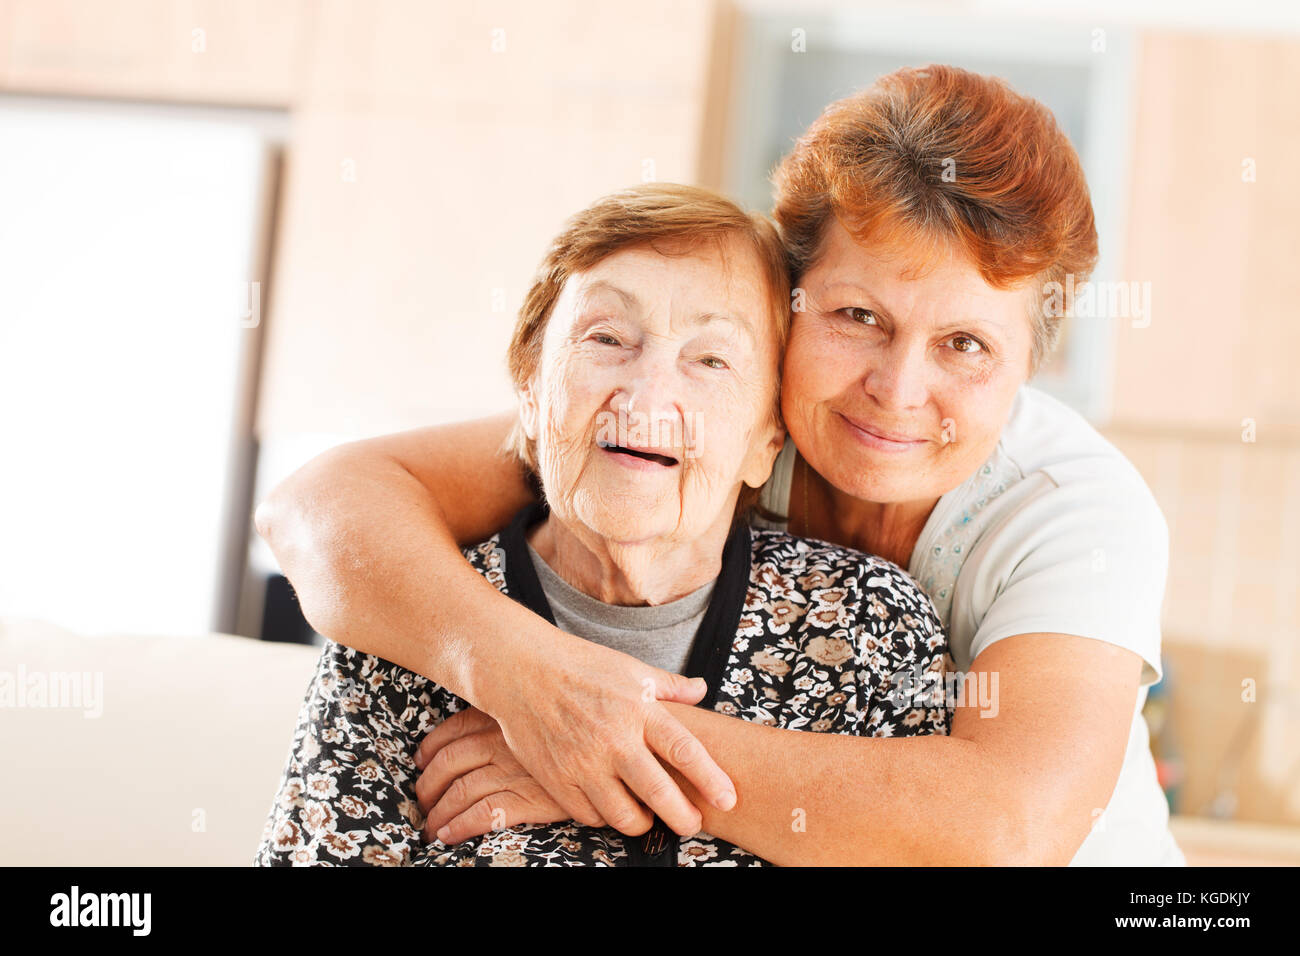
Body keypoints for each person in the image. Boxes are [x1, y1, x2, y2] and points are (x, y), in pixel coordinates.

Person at [256, 65, 1183, 865]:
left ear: (1030, 368)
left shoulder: (1072, 512)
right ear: (790, 304)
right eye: (857, 317)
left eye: (967, 345)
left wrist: (609, 748)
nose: (897, 391)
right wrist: (524, 678)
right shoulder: (705, 423)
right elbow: (320, 508)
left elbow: (1004, 829)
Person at [255, 183, 949, 866]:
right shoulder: (401, 625)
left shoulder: (866, 627)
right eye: (608, 337)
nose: (650, 396)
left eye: (711, 360)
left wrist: (627, 761)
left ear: (767, 436)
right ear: (529, 385)